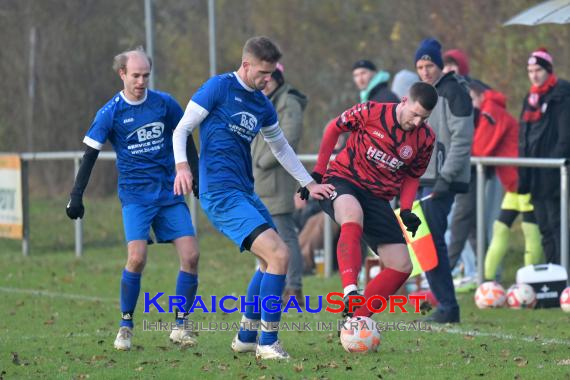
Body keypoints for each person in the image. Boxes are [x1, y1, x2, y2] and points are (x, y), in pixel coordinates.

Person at [171, 36, 334, 360]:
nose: (267, 79)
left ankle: (247, 336)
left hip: (245, 191)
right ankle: (267, 342)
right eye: (262, 73)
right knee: (280, 256)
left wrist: (307, 182)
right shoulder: (218, 88)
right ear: (245, 65)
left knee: (267, 261)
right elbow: (181, 129)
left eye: (271, 73)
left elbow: (280, 147)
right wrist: (182, 167)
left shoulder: (262, 103)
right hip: (219, 193)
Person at [65, 47, 201, 351]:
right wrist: (76, 196)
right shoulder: (110, 112)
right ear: (122, 74)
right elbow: (89, 155)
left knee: (191, 256)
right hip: (136, 196)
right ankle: (126, 325)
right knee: (137, 258)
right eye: (136, 75)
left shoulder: (164, 104)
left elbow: (185, 136)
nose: (141, 81)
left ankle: (180, 324)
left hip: (168, 192)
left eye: (146, 75)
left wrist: (196, 175)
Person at [312, 82, 438, 319]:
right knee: (352, 215)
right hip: (344, 179)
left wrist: (407, 209)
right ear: (404, 101)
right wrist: (318, 173)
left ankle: (356, 319)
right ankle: (350, 290)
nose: (418, 122)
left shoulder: (426, 138)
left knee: (402, 265)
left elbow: (413, 176)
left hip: (378, 197)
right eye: (415, 115)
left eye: (425, 118)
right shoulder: (372, 111)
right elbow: (333, 128)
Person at [415, 38, 474, 323]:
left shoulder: (454, 92)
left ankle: (448, 307)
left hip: (442, 181)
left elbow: (462, 141)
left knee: (433, 242)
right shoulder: (423, 93)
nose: (425, 71)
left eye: (429, 65)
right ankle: (443, 304)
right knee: (423, 244)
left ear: (440, 65)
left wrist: (445, 178)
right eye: (420, 66)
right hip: (423, 178)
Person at [465, 80, 544, 281]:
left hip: (523, 181)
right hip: (513, 185)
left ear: (481, 95)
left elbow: (480, 149)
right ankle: (487, 280)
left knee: (530, 231)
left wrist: (461, 156)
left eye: (472, 99)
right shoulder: (489, 110)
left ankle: (531, 281)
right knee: (500, 228)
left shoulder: (491, 111)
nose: (471, 104)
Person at [251, 63, 308, 305]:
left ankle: (293, 290)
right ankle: (275, 286)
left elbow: (290, 137)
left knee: (285, 235)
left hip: (276, 180)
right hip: (261, 181)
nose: (264, 83)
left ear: (277, 79)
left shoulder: (288, 101)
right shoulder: (267, 100)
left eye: (269, 78)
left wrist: (262, 161)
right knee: (269, 237)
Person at [518, 48, 570, 265]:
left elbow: (564, 137)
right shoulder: (530, 99)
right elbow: (524, 135)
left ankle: (565, 276)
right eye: (530, 70)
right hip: (535, 174)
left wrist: (553, 166)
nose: (534, 75)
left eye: (538, 69)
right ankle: (554, 273)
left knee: (560, 226)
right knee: (545, 228)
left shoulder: (562, 95)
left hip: (555, 173)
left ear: (548, 70)